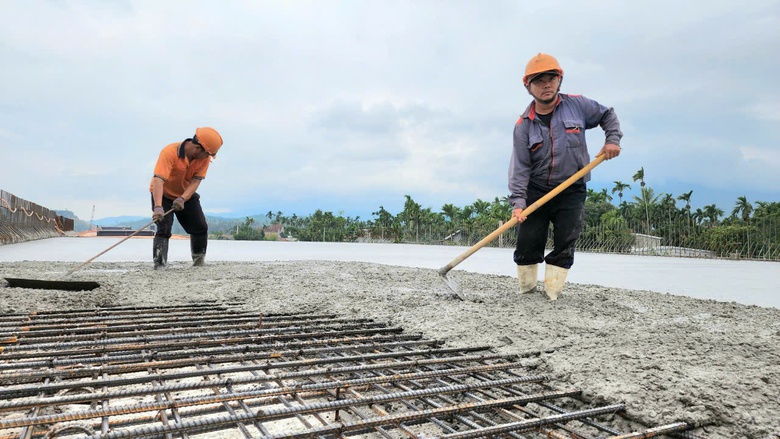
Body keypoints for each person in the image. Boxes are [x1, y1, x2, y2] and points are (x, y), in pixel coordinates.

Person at [508, 53, 622, 300]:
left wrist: (612, 140)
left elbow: (607, 115)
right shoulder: (523, 125)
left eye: (551, 78)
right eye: (539, 81)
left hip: (572, 189)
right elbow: (519, 167)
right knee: (528, 242)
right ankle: (526, 292)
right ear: (528, 87)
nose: (546, 85)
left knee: (566, 242)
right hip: (537, 190)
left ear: (559, 80)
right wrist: (518, 204)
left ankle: (552, 295)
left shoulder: (578, 105)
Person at [149, 127, 223, 270]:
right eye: (207, 154)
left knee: (200, 227)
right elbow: (158, 180)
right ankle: (159, 264)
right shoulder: (170, 152)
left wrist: (183, 198)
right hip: (162, 193)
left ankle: (198, 262)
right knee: (163, 228)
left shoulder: (204, 159)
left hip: (185, 194)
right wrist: (158, 207)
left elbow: (196, 180)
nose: (208, 157)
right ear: (197, 148)